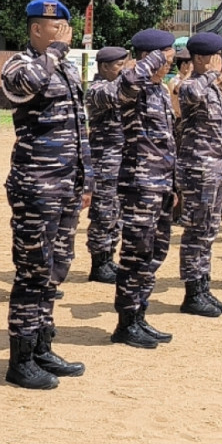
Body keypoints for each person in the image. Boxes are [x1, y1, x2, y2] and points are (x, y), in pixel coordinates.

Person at [0, 0, 92, 390]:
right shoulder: (20, 65)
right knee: (33, 270)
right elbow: (25, 88)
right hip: (36, 186)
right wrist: (53, 53)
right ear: (37, 30)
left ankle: (41, 345)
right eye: (58, 29)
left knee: (55, 268)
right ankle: (20, 359)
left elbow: (78, 126)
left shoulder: (66, 69)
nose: (65, 35)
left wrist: (84, 181)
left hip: (66, 185)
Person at [111, 29, 177, 348]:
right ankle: (125, 322)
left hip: (161, 183)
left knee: (155, 251)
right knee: (136, 252)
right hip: (140, 184)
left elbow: (167, 141)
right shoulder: (130, 86)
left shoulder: (161, 91)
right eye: (166, 59)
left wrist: (173, 182)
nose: (169, 65)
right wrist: (152, 59)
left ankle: (139, 314)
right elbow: (126, 83)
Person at [176, 32, 222, 317]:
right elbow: (191, 93)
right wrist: (211, 75)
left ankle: (203, 286)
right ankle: (191, 292)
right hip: (198, 168)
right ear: (201, 58)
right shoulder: (191, 86)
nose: (221, 61)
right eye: (216, 56)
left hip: (216, 167)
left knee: (209, 231)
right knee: (196, 231)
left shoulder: (214, 88)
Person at [85, 46, 128, 284]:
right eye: (119, 66)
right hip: (104, 161)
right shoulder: (98, 89)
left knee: (116, 213)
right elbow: (117, 93)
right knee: (103, 213)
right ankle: (98, 262)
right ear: (104, 67)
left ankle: (108, 256)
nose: (123, 71)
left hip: (119, 159)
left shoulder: (117, 87)